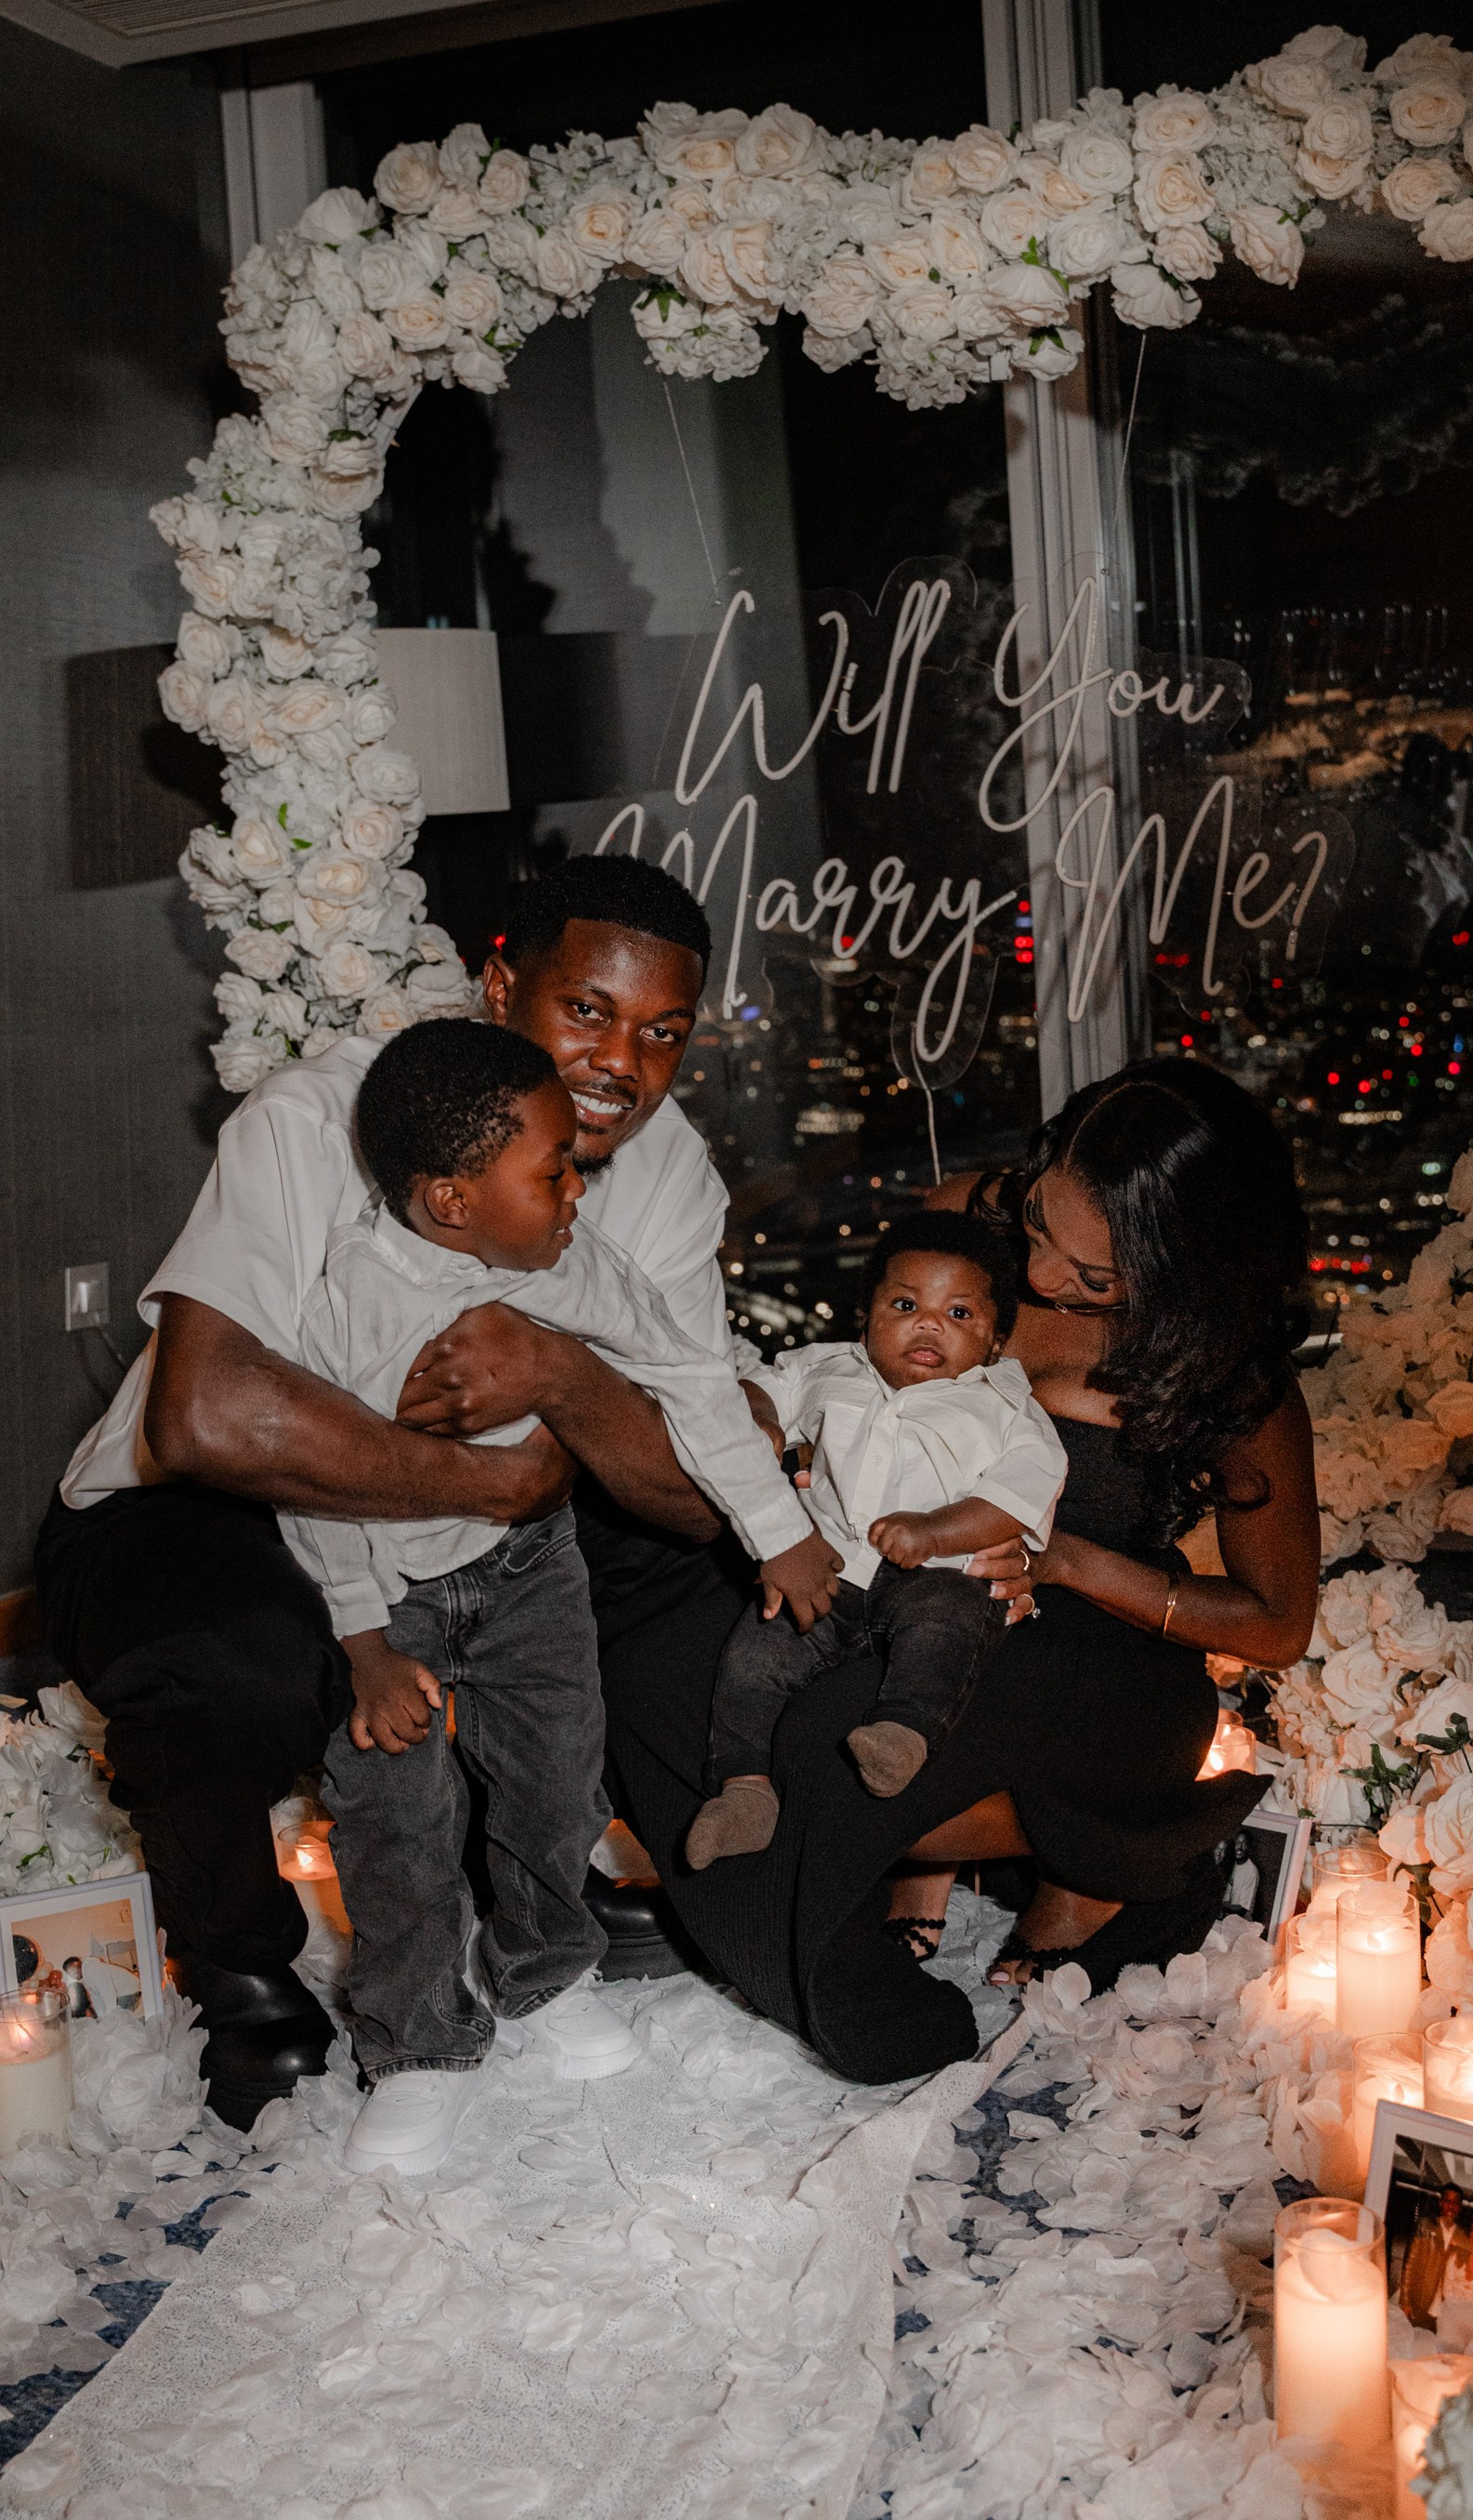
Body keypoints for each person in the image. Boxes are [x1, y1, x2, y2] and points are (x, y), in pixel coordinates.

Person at [36, 856, 840, 2126]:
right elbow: (203, 1418)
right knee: (246, 1663)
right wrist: (489, 1478)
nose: (620, 1065)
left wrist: (560, 1378)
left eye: (663, 1033)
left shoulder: (669, 1174)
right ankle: (244, 1964)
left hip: (492, 1517)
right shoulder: (322, 1114)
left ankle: (553, 1891)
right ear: (502, 987)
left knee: (688, 1572)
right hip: (193, 1505)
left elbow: (690, 1477)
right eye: (588, 1011)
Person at [600, 1056, 1321, 2079]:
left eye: (1095, 1277)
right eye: (1038, 1226)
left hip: (1090, 1644)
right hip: (892, 1570)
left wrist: (1069, 1561)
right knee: (660, 1654)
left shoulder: (1231, 1372)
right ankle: (816, 1908)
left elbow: (1275, 1625)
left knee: (827, 1734)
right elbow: (857, 1368)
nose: (1042, 1278)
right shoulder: (964, 1221)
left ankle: (976, 1919)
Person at [292, 1020, 823, 2176]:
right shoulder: (345, 1300)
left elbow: (691, 1378)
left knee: (552, 1784)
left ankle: (544, 1972)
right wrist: (363, 1643)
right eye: (552, 1173)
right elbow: (310, 1480)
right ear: (451, 1200)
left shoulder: (571, 1265)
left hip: (530, 1565)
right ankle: (416, 2042)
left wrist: (779, 1535)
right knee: (396, 1824)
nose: (578, 1189)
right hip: (384, 1590)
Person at [687, 1212, 1066, 1867]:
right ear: (866, 1316)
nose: (928, 1325)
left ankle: (903, 1732)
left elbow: (1023, 1491)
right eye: (905, 1305)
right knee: (753, 1652)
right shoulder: (830, 1367)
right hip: (827, 1568)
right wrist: (761, 1420)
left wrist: (936, 1530)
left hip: (938, 1574)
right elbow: (760, 1387)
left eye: (958, 1314)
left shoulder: (1006, 1408)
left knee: (948, 1626)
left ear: (996, 1342)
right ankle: (744, 1789)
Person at [1400, 2184, 1467, 2330]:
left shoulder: (1462, 2237)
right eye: (1447, 2201)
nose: (1451, 2206)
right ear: (1441, 2203)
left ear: (1460, 2207)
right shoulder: (1425, 2226)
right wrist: (1405, 2300)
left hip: (1445, 2308)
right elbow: (1409, 2264)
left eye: (1455, 2202)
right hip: (1421, 2300)